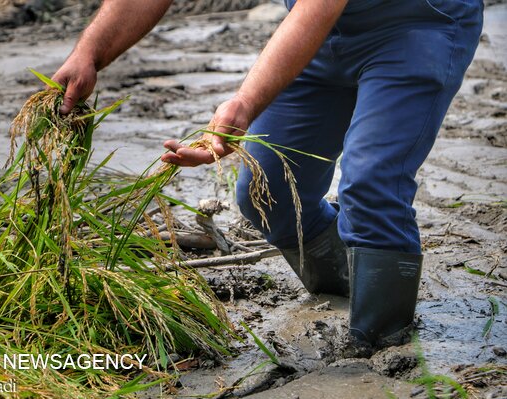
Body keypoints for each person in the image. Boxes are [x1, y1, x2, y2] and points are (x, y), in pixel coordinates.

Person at [52, 0, 483, 352]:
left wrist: (245, 103)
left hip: (419, 24)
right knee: (268, 190)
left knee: (371, 185)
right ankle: (352, 289)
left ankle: (383, 344)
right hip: (322, 35)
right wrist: (89, 53)